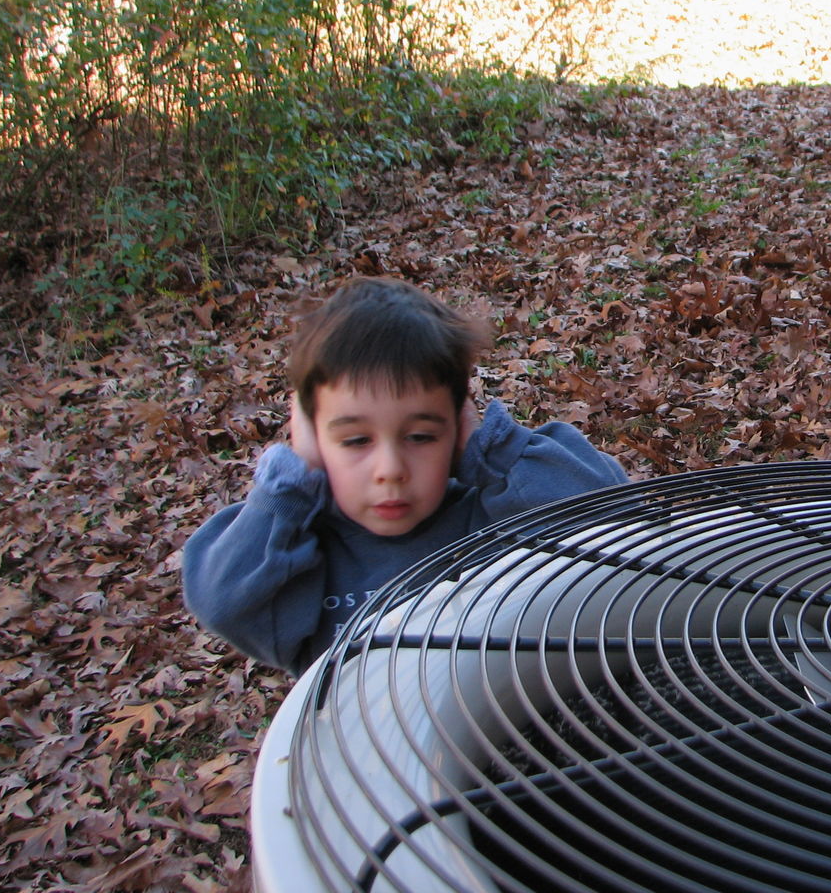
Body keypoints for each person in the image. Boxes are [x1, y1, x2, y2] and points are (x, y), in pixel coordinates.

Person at [182, 276, 627, 676]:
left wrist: (490, 448)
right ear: (314, 440)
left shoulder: (493, 513)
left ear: (456, 428)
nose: (390, 470)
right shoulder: (301, 552)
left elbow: (615, 520)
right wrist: (292, 483)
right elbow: (224, 603)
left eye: (419, 436)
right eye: (356, 440)